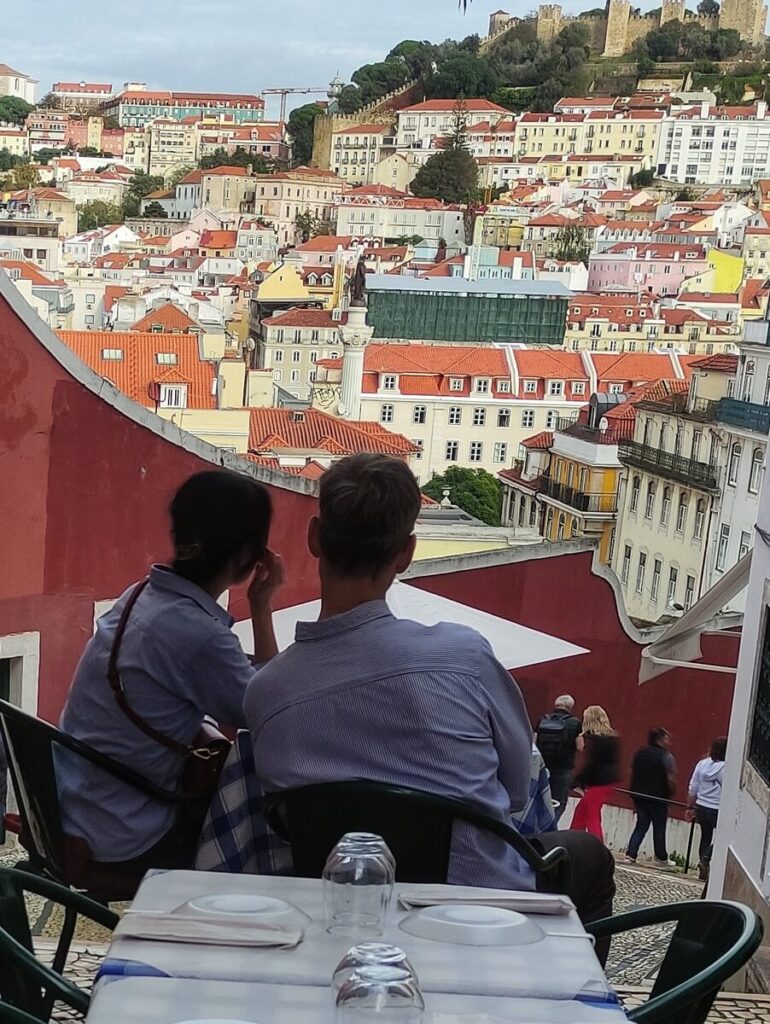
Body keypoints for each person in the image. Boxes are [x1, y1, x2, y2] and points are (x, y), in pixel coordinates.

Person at [245, 454, 615, 956]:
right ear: (406, 554)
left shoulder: (266, 694)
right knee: (589, 856)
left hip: (343, 901)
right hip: (476, 906)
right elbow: (513, 789)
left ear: (314, 537)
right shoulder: (464, 656)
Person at [57, 470, 283, 887]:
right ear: (247, 557)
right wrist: (262, 606)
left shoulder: (138, 596)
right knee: (262, 834)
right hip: (123, 833)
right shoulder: (201, 636)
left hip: (72, 808)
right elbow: (268, 711)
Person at [626, 727, 677, 869]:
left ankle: (631, 853)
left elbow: (632, 771)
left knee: (641, 824)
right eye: (666, 738)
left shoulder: (639, 753)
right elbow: (670, 777)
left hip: (639, 794)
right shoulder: (666, 756)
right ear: (660, 739)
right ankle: (661, 857)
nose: (668, 741)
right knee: (659, 827)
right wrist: (671, 791)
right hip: (658, 796)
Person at [570, 706, 620, 843]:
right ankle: (573, 839)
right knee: (583, 811)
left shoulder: (594, 740)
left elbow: (592, 764)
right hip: (607, 782)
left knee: (592, 816)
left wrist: (578, 779)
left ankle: (597, 846)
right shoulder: (611, 738)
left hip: (598, 782)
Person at [535, 694, 584, 822]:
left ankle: (536, 827)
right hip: (564, 767)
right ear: (570, 707)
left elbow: (533, 743)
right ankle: (550, 830)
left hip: (542, 766)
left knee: (540, 799)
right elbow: (580, 747)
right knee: (559, 802)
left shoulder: (542, 719)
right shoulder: (575, 722)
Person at [687, 736, 727, 881]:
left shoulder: (702, 764)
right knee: (723, 836)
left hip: (702, 806)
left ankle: (703, 867)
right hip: (718, 808)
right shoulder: (726, 768)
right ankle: (706, 858)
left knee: (705, 836)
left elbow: (693, 787)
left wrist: (689, 807)